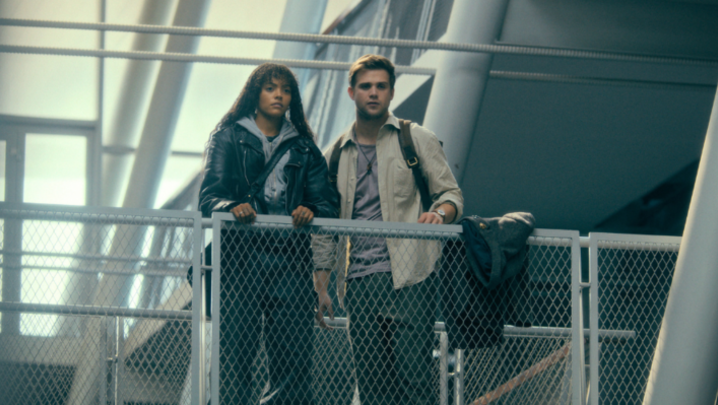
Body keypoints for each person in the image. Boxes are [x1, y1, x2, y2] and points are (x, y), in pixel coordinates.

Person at [313, 54, 464, 405]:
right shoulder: (334, 155)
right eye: (365, 86)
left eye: (381, 86)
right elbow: (324, 227)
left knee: (414, 385)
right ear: (352, 92)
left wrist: (440, 213)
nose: (373, 93)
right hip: (359, 282)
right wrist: (321, 287)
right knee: (373, 391)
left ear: (392, 92)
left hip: (411, 278)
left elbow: (451, 193)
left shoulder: (415, 137)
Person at [199, 63, 338, 405]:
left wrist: (312, 211)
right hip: (239, 258)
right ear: (255, 93)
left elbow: (327, 203)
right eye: (270, 88)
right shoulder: (229, 136)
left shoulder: (304, 147)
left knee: (294, 361)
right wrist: (231, 206)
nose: (279, 95)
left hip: (290, 261)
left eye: (286, 90)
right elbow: (209, 197)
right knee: (232, 357)